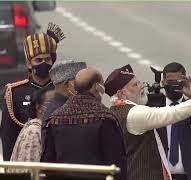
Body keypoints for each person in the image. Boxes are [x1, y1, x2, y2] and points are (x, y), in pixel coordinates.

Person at [104, 64, 191, 180]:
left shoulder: (116, 111)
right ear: (122, 94)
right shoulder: (134, 114)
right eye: (135, 85)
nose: (142, 86)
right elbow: (175, 112)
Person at [41, 68, 127, 180]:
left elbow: (48, 161)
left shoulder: (55, 118)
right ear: (97, 86)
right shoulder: (105, 117)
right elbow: (116, 161)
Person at [1, 22, 65, 161]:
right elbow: (8, 137)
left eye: (47, 59)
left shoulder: (61, 90)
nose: (43, 62)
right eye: (38, 59)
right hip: (26, 160)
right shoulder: (14, 93)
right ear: (29, 64)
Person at [156, 62, 191, 180]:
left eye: (178, 82)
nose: (174, 85)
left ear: (185, 81)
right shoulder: (154, 108)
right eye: (170, 82)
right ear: (163, 83)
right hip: (162, 175)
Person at [7, 87, 54, 173]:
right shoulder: (34, 131)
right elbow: (29, 169)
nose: (56, 106)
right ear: (39, 108)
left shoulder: (42, 127)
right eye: (52, 103)